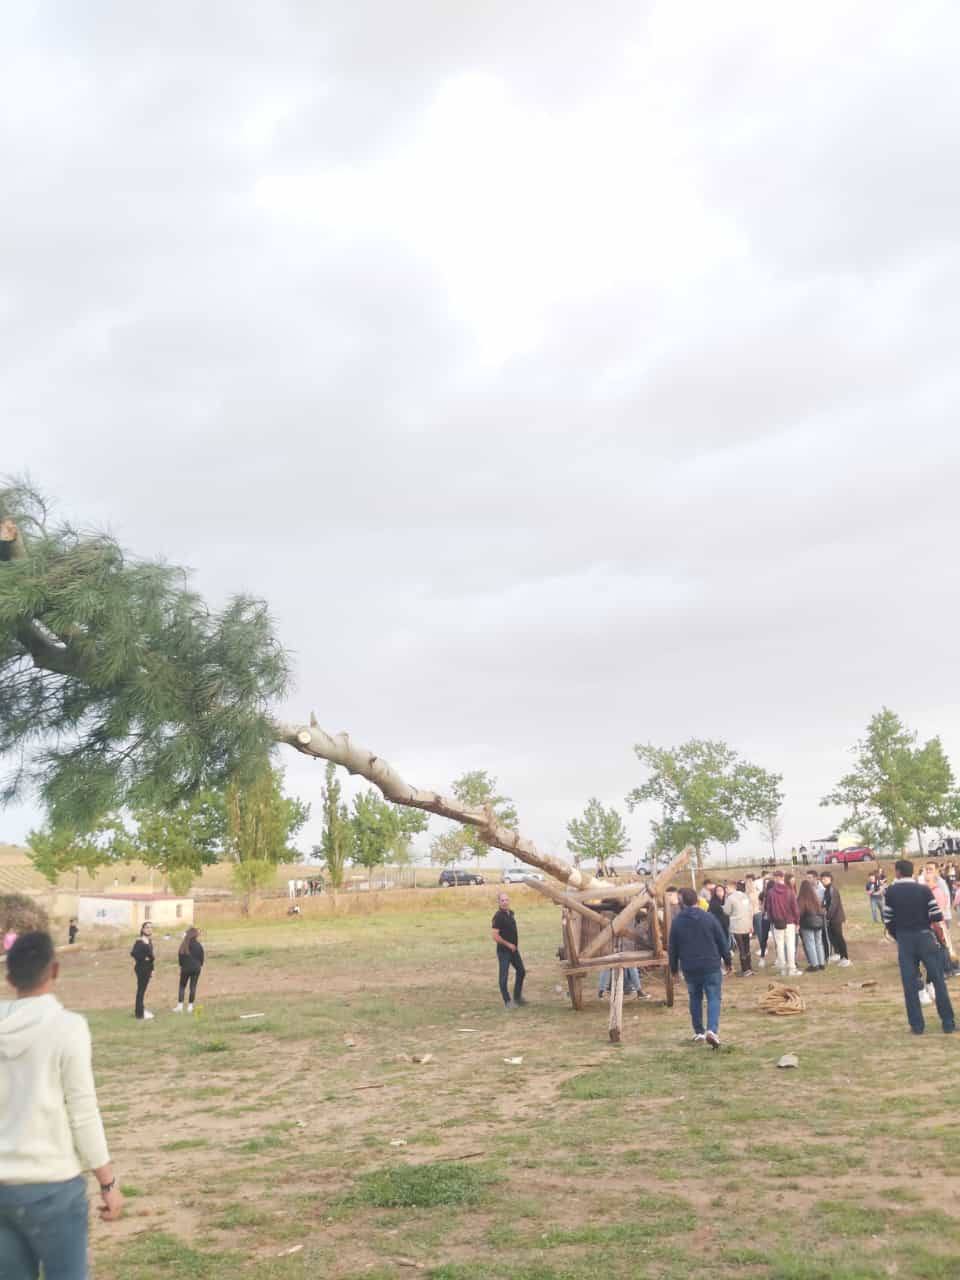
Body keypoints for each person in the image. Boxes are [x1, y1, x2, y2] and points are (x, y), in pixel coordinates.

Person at [0, 932, 123, 1276]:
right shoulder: (68, 1028)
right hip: (53, 1186)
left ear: (9, 977)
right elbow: (83, 1113)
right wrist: (107, 1182)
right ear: (54, 970)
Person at [883, 859, 955, 1035]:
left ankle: (917, 1026)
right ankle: (948, 1023)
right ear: (912, 871)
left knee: (910, 984)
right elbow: (937, 915)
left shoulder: (890, 892)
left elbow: (888, 919)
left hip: (905, 939)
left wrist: (898, 935)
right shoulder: (923, 890)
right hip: (925, 937)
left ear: (898, 872)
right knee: (938, 980)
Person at [669, 887, 732, 1048]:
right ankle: (712, 1030)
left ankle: (699, 1032)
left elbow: (673, 948)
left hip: (690, 966)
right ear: (697, 900)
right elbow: (721, 940)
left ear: (682, 903)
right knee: (713, 997)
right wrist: (728, 960)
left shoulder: (677, 922)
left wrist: (674, 969)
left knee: (695, 997)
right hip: (710, 964)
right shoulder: (709, 918)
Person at [491, 893, 526, 1010]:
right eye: (502, 900)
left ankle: (517, 997)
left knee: (521, 971)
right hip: (504, 952)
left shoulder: (510, 913)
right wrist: (508, 944)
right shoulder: (498, 917)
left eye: (506, 900)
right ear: (499, 902)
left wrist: (513, 945)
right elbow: (495, 936)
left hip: (514, 950)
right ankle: (507, 1001)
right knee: (504, 976)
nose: (505, 902)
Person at [764, 869, 801, 977]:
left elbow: (768, 908)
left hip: (777, 922)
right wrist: (797, 922)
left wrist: (772, 920)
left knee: (779, 946)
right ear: (783, 877)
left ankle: (783, 970)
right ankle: (792, 968)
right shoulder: (789, 891)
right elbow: (795, 908)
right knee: (790, 945)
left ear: (775, 878)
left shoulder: (771, 892)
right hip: (789, 922)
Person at [724, 881, 753, 976]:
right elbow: (750, 909)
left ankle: (745, 970)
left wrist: (723, 906)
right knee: (747, 946)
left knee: (741, 948)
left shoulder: (730, 898)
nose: (725, 890)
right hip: (746, 924)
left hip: (737, 926)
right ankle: (749, 967)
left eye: (726, 888)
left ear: (730, 888)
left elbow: (727, 911)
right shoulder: (745, 896)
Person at [821, 873, 850, 967]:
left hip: (836, 918)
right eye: (822, 879)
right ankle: (837, 954)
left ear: (830, 879)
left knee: (839, 937)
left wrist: (828, 917)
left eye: (826, 879)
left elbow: (833, 905)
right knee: (832, 937)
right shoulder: (826, 890)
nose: (824, 880)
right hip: (830, 919)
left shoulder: (833, 890)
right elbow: (825, 903)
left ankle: (845, 958)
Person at [173, 927, 204, 1014]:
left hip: (185, 968)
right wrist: (199, 965)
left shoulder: (183, 945)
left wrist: (182, 966)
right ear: (195, 935)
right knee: (193, 987)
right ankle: (190, 1007)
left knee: (182, 986)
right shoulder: (198, 945)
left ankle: (180, 1006)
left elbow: (180, 958)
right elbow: (202, 958)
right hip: (196, 968)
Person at [797, 879, 826, 970]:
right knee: (819, 943)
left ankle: (814, 964)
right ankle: (821, 963)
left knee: (810, 943)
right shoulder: (815, 898)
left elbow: (799, 912)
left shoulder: (801, 899)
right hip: (818, 923)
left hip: (807, 924)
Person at [130, 921, 155, 1020]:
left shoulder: (149, 941)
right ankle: (139, 1014)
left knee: (142, 990)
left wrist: (152, 969)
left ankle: (140, 1010)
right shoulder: (140, 941)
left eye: (151, 927)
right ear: (143, 929)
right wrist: (143, 958)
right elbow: (133, 953)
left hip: (148, 968)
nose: (149, 929)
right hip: (141, 968)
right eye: (147, 927)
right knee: (141, 990)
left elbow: (152, 956)